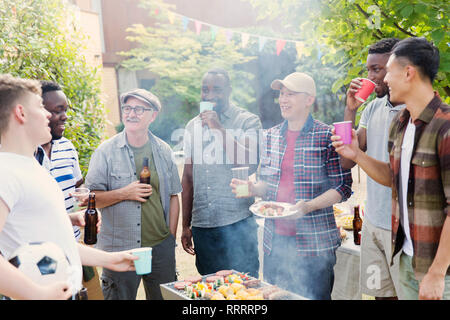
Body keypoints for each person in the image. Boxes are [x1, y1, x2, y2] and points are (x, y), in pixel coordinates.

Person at [332, 37, 450, 300]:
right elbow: (392, 177)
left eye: (388, 71)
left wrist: (437, 272)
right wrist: (357, 154)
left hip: (434, 266)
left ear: (408, 73)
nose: (382, 80)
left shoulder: (446, 127)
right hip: (403, 251)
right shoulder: (401, 123)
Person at [0, 74, 137, 300]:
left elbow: (56, 241)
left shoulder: (33, 169)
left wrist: (111, 259)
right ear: (21, 113)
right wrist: (37, 294)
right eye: (40, 107)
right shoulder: (5, 171)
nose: (47, 114)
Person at [231, 72, 352, 299]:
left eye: (291, 94)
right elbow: (269, 185)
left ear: (309, 99)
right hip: (274, 243)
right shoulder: (270, 136)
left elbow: (343, 187)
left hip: (314, 245)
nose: (283, 100)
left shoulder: (327, 136)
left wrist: (308, 206)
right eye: (281, 94)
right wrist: (252, 188)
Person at [85, 88, 181, 300]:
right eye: (127, 108)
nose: (131, 113)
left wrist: (170, 236)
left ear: (153, 115)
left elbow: (174, 195)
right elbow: (90, 198)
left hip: (160, 246)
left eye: (139, 109)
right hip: (120, 249)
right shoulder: (105, 151)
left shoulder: (164, 151)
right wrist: (124, 193)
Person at [181, 68, 262, 278]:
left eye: (216, 89)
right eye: (204, 90)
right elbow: (188, 178)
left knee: (245, 287)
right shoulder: (192, 127)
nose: (209, 95)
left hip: (238, 223)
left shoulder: (247, 121)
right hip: (203, 227)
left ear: (229, 91)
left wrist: (217, 127)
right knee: (211, 288)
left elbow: (249, 163)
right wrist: (185, 225)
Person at [340, 38, 404, 300]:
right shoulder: (372, 108)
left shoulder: (413, 113)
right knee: (380, 295)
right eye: (368, 70)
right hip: (373, 222)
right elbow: (347, 159)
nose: (370, 77)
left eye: (377, 70)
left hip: (402, 227)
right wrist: (350, 109)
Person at [35, 80, 104, 300]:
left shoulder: (67, 147)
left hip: (74, 246)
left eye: (65, 110)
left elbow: (77, 184)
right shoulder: (20, 155)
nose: (65, 116)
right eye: (58, 110)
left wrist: (84, 193)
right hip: (40, 257)